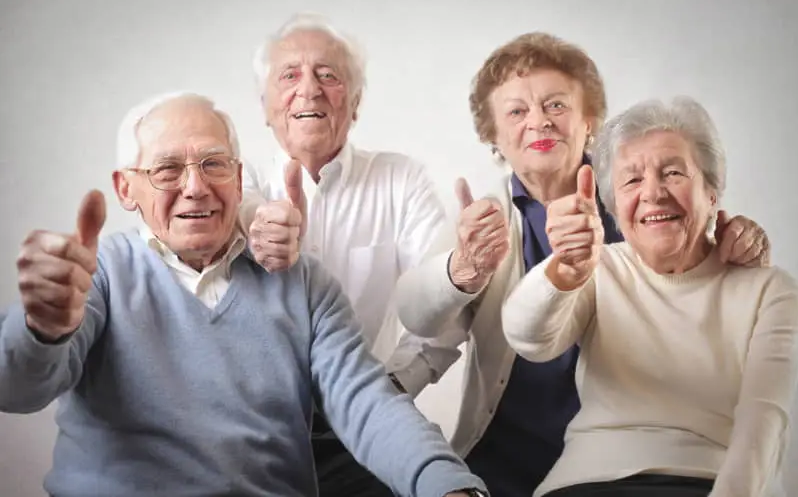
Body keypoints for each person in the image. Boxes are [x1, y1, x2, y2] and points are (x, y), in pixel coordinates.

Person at [0, 92, 487, 497]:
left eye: (213, 164)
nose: (195, 187)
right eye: (168, 170)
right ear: (126, 189)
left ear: (237, 177)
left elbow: (367, 402)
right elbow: (16, 389)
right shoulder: (100, 273)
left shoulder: (303, 282)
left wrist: (448, 486)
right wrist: (42, 329)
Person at [393, 32, 772, 497]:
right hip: (506, 458)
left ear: (589, 120)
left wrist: (740, 244)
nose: (539, 123)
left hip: (627, 462)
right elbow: (419, 321)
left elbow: (709, 289)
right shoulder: (484, 221)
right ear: (493, 135)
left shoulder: (641, 203)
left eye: (556, 105)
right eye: (516, 111)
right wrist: (463, 269)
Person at [501, 96, 798, 497]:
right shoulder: (599, 268)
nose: (653, 193)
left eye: (673, 172)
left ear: (711, 192)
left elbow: (765, 417)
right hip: (587, 484)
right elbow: (529, 339)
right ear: (614, 208)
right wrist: (564, 271)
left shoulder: (769, 290)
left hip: (709, 481)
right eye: (632, 180)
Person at [240, 13, 464, 497]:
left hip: (361, 432)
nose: (309, 89)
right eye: (289, 75)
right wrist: (260, 224)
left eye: (328, 75)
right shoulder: (238, 181)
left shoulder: (399, 180)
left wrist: (393, 388)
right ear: (265, 106)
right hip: (252, 435)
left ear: (355, 103)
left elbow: (443, 307)